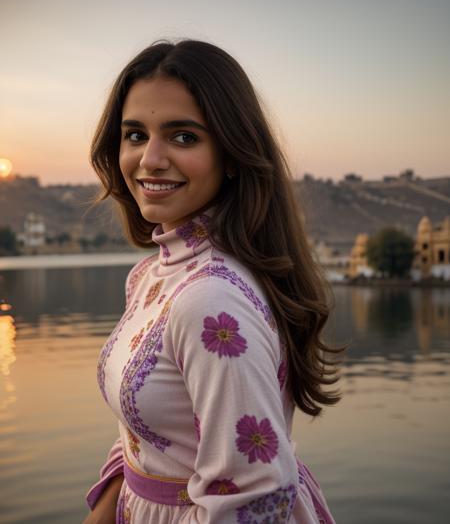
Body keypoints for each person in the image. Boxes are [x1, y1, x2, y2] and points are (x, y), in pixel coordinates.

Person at [83, 39, 343, 524]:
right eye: (135, 134)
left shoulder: (209, 300)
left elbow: (251, 501)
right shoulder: (152, 275)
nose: (150, 159)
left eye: (183, 137)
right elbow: (143, 445)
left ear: (233, 154)